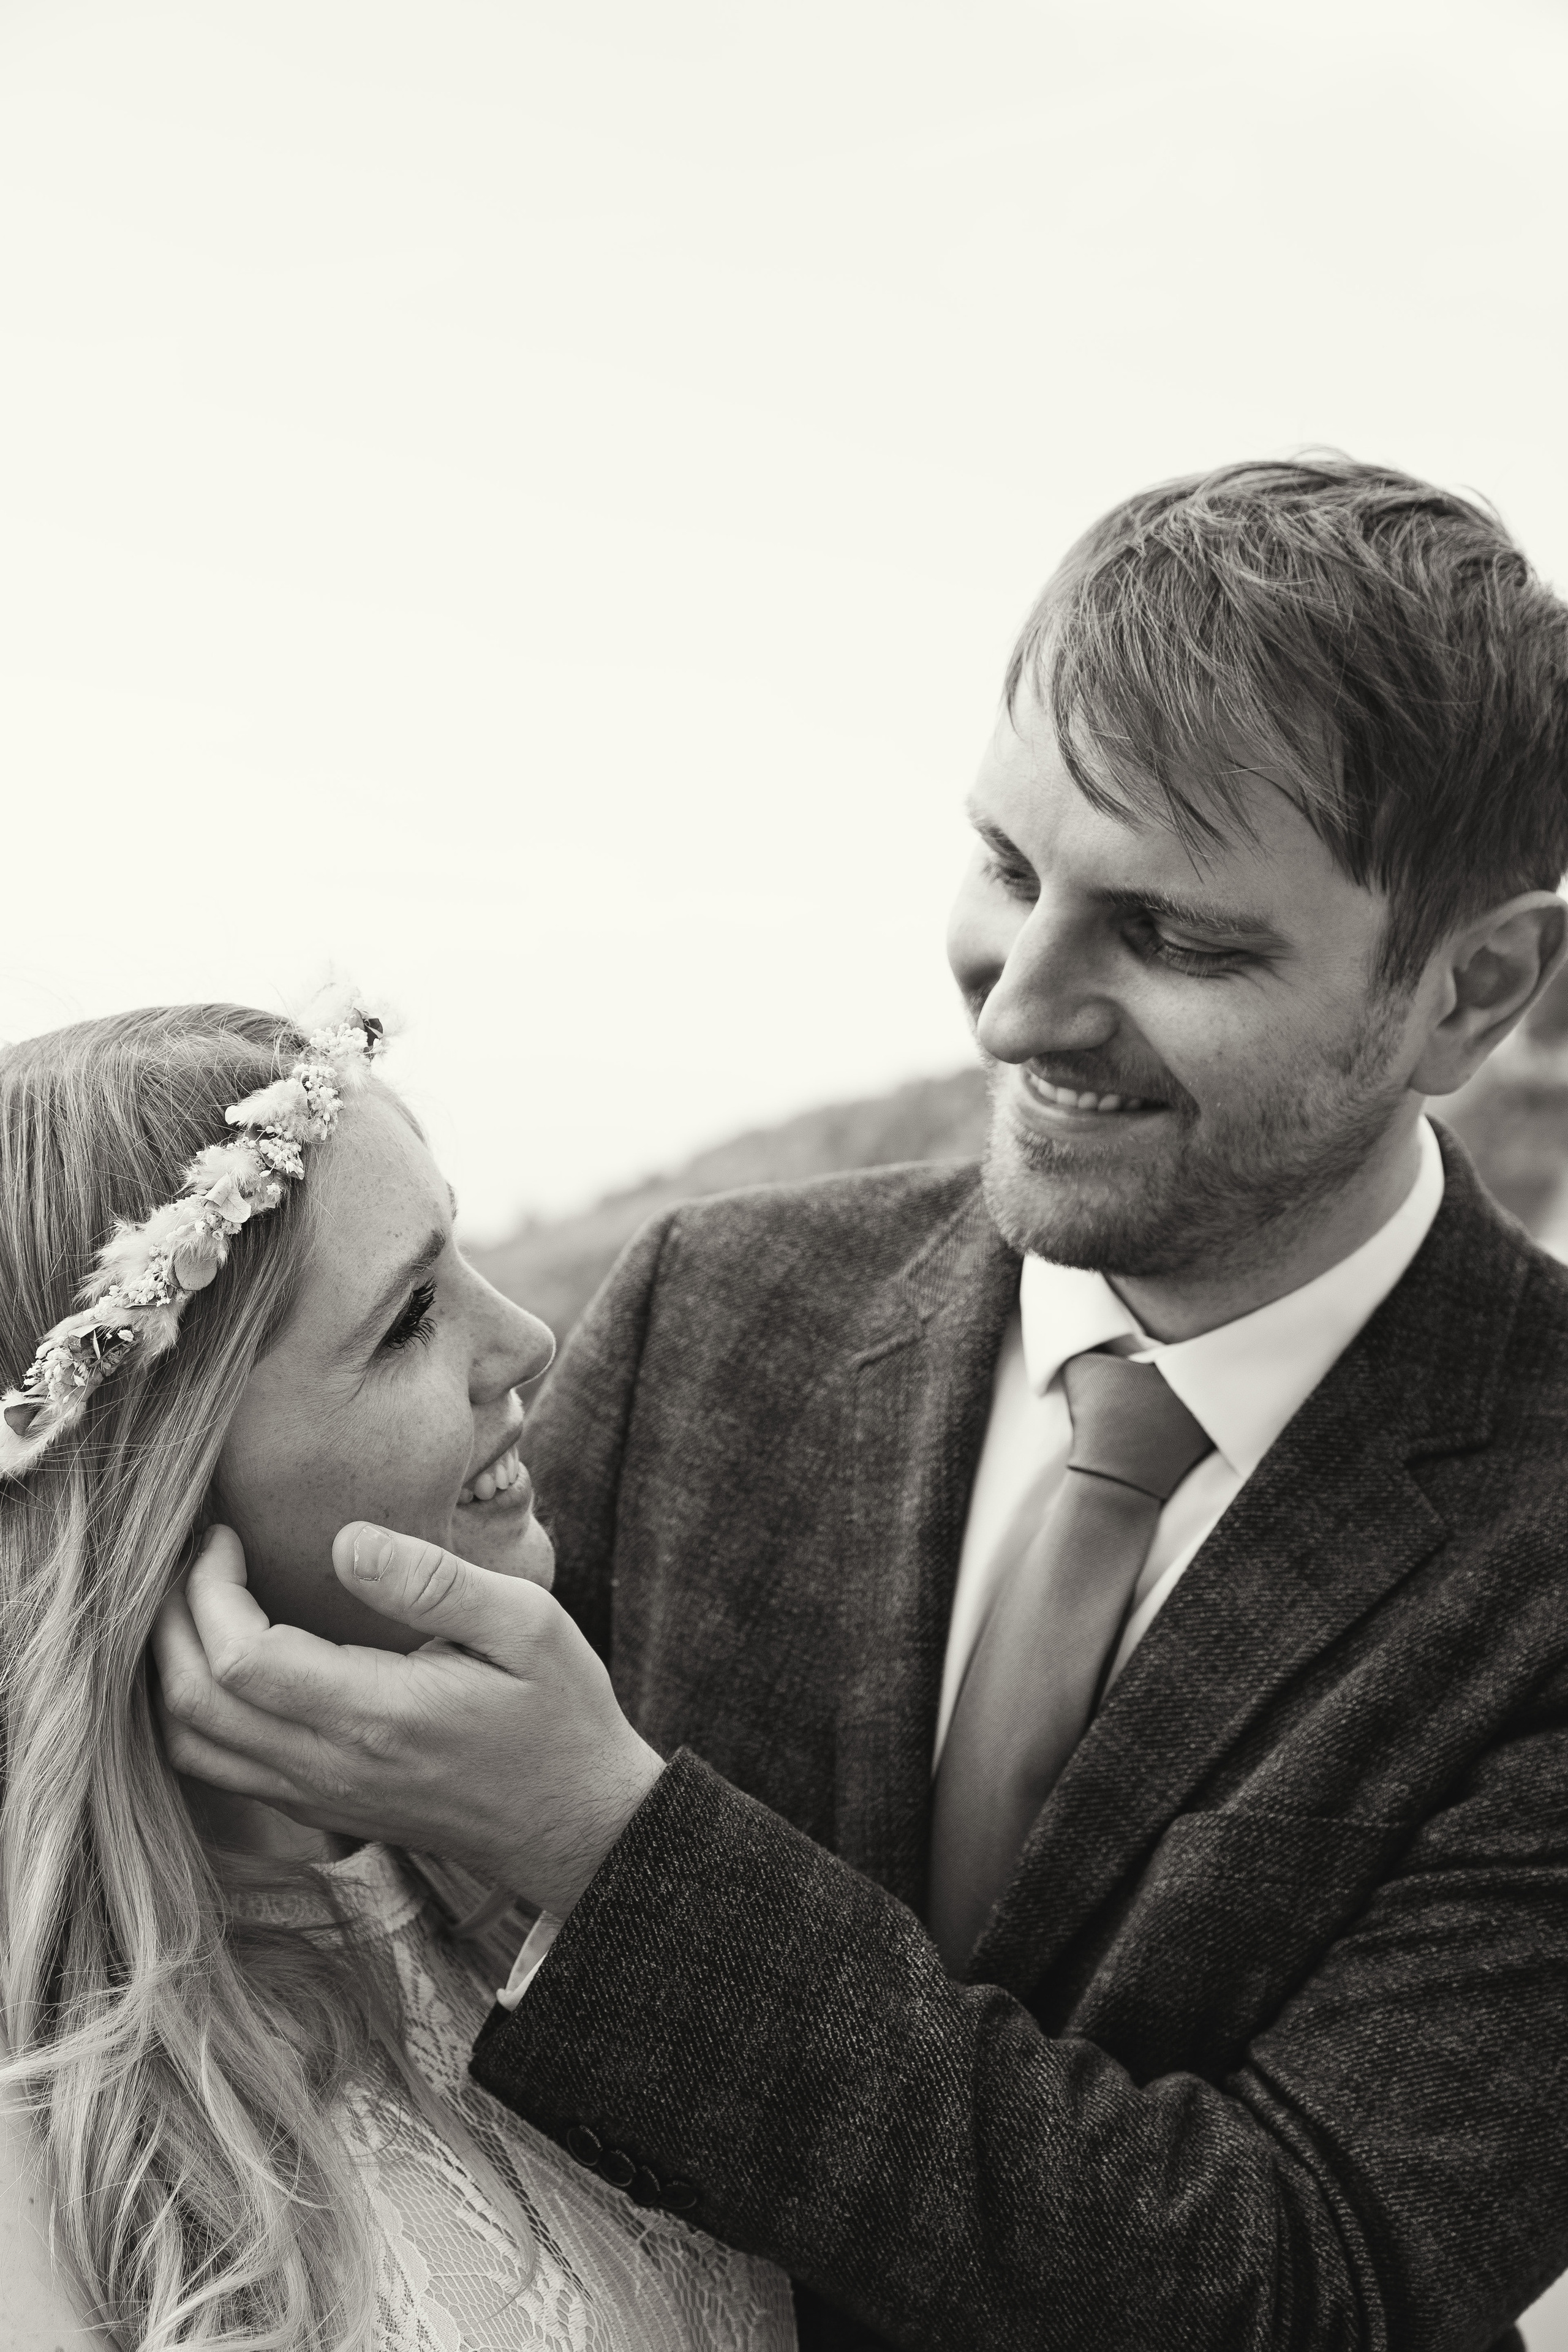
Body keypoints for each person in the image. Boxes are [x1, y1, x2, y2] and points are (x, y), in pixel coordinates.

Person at [154, 459, 1568, 2352]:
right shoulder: (710, 1308)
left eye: (1174, 938)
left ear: (1474, 993)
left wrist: (610, 1848)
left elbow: (1314, 2281)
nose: (1013, 1008)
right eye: (1007, 869)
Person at [0, 1002, 796, 2352]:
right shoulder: (56, 2133)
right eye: (411, 1315)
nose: (528, 1339)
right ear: (164, 1493)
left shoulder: (523, 1842)